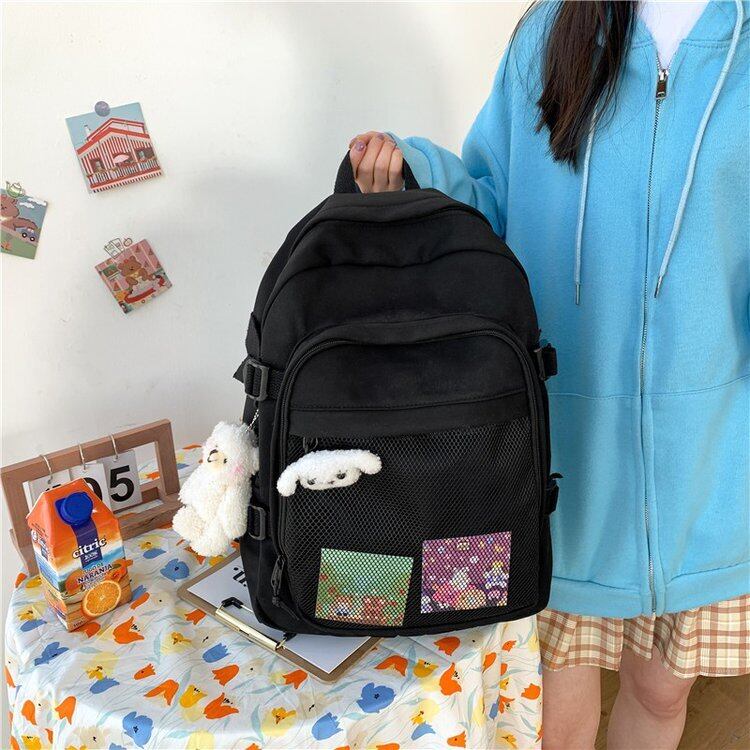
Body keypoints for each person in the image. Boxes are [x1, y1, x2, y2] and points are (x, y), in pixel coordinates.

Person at [348, 1, 749, 748]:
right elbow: (493, 206)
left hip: (711, 473)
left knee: (661, 699)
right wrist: (418, 174)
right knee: (550, 720)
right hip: (555, 467)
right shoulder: (551, 31)